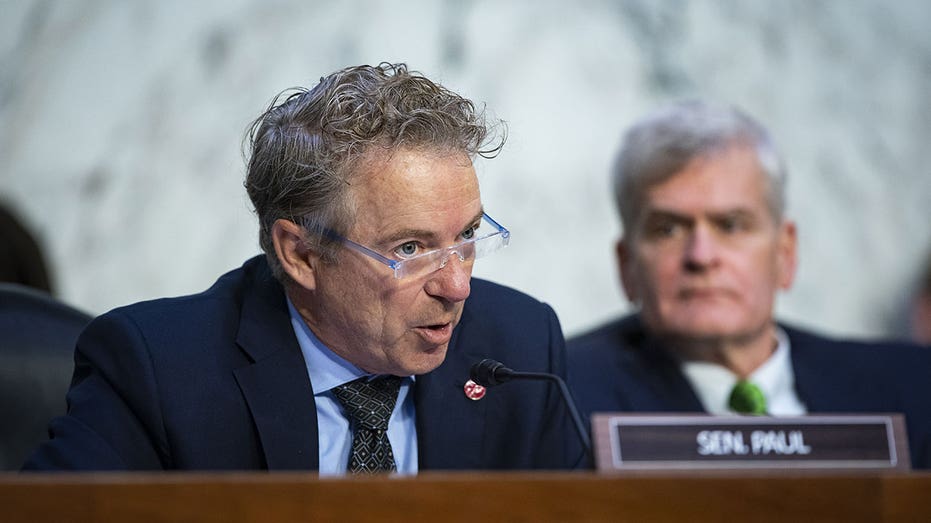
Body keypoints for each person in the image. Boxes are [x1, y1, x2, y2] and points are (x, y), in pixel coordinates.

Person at [25, 63, 583, 472]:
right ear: (301, 255)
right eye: (410, 249)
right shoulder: (158, 371)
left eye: (465, 237)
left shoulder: (522, 349)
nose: (457, 285)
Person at [567, 100, 931, 469]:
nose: (701, 256)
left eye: (731, 225)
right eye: (668, 229)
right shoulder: (561, 400)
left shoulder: (913, 387)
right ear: (627, 265)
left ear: (785, 254)